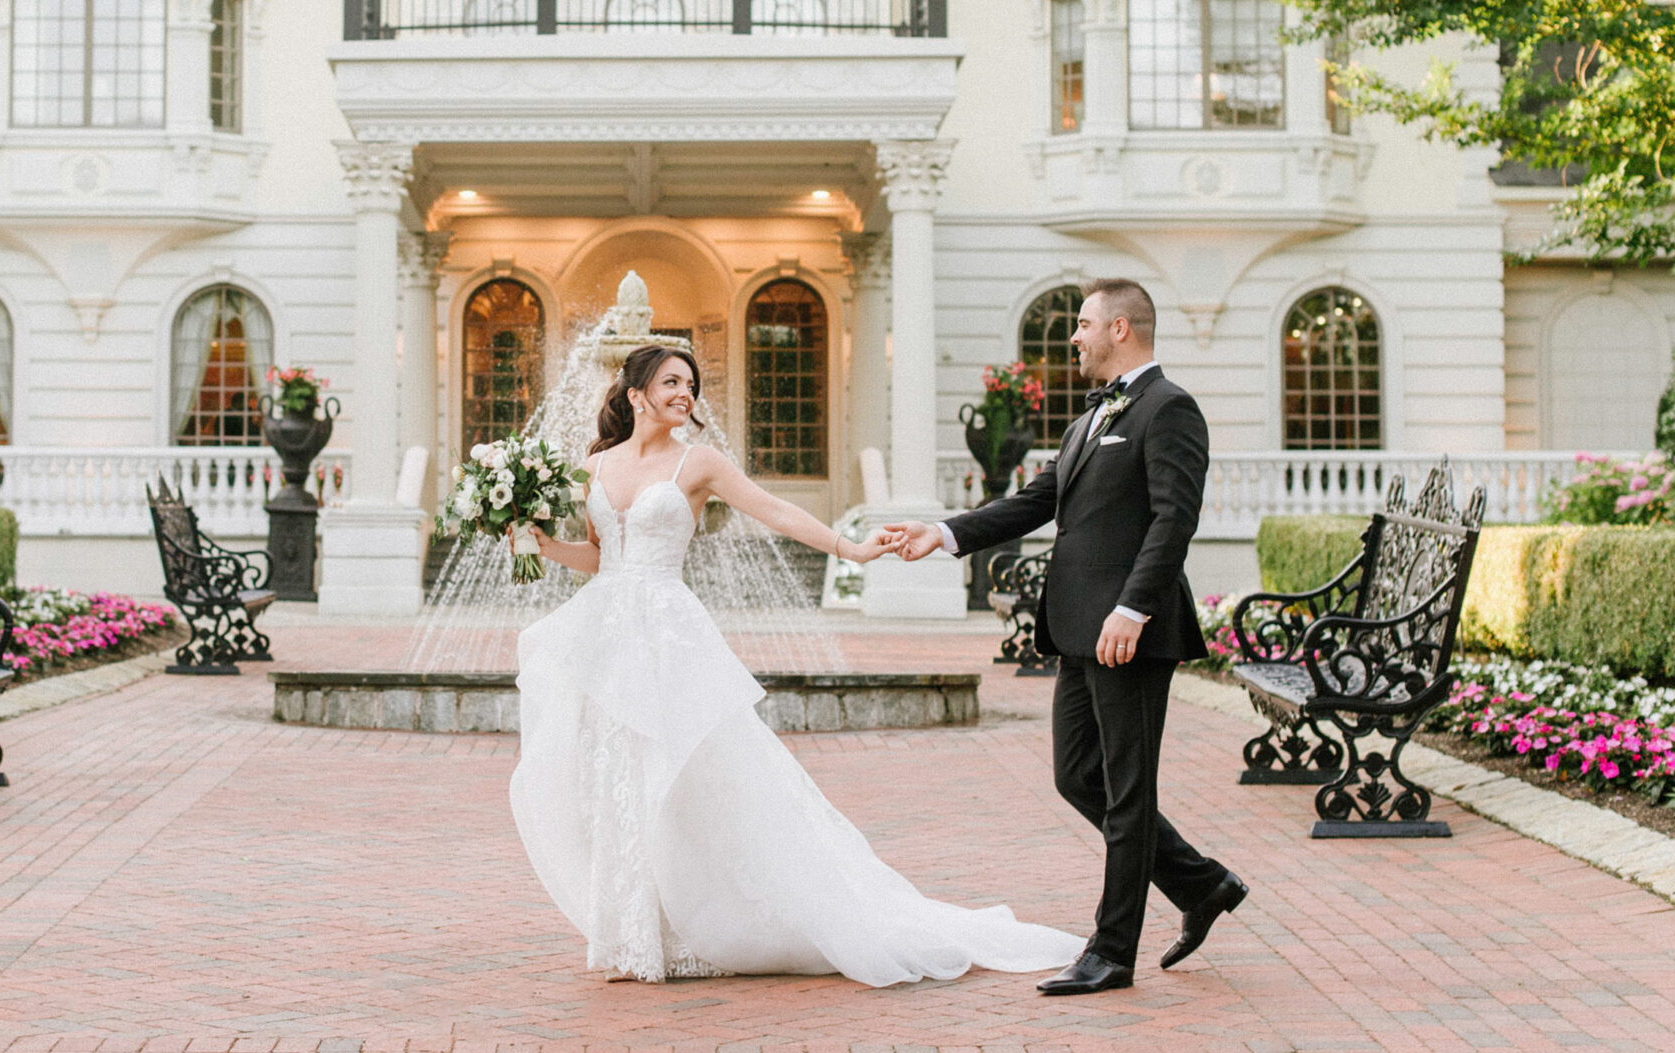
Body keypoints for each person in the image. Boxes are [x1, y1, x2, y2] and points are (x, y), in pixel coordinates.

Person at [511, 343, 1085, 986]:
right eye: (672, 382)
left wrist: (850, 548)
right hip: (607, 635)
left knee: (688, 781)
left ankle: (724, 920)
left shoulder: (697, 462)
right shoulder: (595, 465)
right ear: (636, 393)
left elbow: (774, 510)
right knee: (619, 778)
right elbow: (598, 557)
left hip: (669, 636)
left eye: (691, 384)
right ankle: (641, 933)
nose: (686, 394)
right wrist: (539, 545)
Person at [881, 278, 1248, 996]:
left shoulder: (1169, 409)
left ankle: (1112, 951)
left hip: (1129, 632)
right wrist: (945, 532)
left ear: (1120, 329)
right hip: (1078, 624)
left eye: (1082, 324)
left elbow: (1174, 519)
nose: (1073, 337)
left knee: (1128, 791)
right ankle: (1201, 885)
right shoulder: (1089, 418)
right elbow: (1036, 501)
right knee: (1077, 776)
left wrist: (1135, 608)